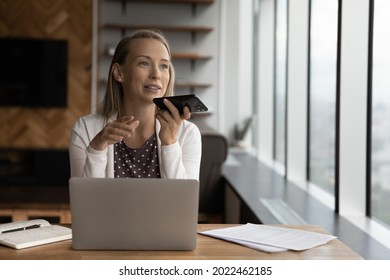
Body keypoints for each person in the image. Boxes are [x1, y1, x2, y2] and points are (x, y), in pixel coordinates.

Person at [69, 29, 202, 180]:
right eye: (144, 63)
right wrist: (97, 149)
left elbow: (183, 201)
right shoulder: (85, 129)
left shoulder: (188, 134)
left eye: (164, 66)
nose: (156, 74)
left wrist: (170, 143)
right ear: (119, 73)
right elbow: (85, 201)